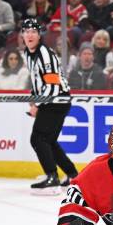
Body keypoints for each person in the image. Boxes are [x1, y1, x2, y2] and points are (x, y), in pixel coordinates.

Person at [21, 18, 78, 192]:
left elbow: (53, 84)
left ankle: (52, 176)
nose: (29, 35)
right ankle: (72, 175)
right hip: (49, 100)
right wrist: (34, 97)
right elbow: (38, 80)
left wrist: (37, 104)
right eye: (26, 31)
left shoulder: (44, 53)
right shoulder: (28, 53)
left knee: (38, 138)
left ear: (39, 35)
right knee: (49, 140)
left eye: (33, 32)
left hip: (56, 100)